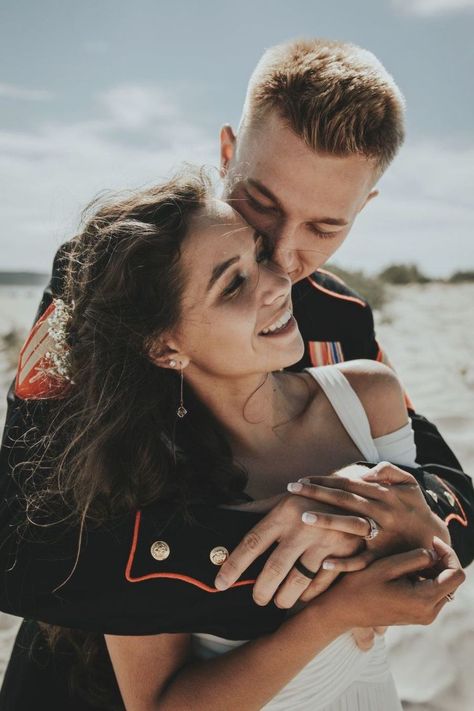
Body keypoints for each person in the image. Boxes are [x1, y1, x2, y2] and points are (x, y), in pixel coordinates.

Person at [0, 38, 472, 637]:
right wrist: (307, 548)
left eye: (325, 227)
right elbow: (21, 539)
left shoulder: (341, 316)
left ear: (364, 208)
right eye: (261, 203)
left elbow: (451, 491)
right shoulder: (111, 286)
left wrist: (363, 518)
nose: (281, 256)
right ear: (227, 152)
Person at [0, 168, 465, 710]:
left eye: (258, 256)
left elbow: (437, 564)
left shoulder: (368, 394)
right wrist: (334, 615)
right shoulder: (143, 481)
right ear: (165, 346)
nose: (278, 280)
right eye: (233, 284)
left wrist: (365, 503)